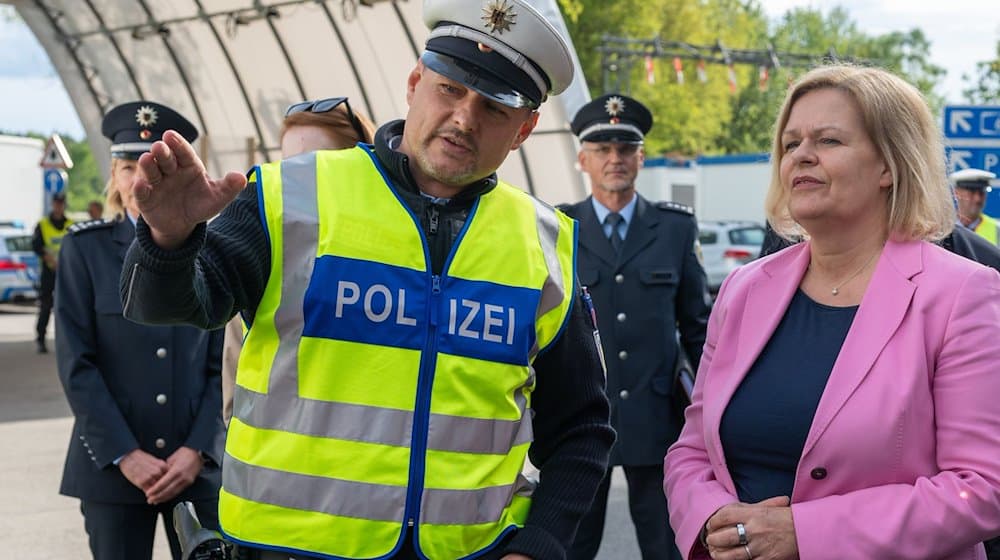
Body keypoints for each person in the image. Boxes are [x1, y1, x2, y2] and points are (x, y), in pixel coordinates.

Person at [119, 1, 615, 558]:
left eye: (494, 107)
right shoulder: (288, 196)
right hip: (285, 549)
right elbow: (177, 306)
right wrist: (168, 240)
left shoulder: (544, 244)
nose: (464, 118)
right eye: (450, 88)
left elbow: (581, 429)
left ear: (524, 128)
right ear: (414, 81)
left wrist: (539, 546)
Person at [664, 64, 1000, 560]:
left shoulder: (962, 294)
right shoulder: (743, 289)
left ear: (889, 165)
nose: (801, 154)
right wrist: (714, 518)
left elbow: (982, 488)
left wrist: (808, 534)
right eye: (790, 143)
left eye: (828, 140)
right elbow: (691, 451)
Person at [56, 101, 225, 560]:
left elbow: (222, 364)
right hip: (111, 469)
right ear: (113, 175)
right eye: (128, 166)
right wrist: (126, 455)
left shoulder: (207, 248)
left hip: (196, 469)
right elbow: (77, 365)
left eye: (153, 167)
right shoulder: (84, 251)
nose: (138, 180)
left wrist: (198, 450)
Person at [560, 94, 710, 560]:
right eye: (602, 150)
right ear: (583, 159)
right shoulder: (560, 227)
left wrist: (713, 405)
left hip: (657, 416)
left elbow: (698, 326)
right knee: (570, 543)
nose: (614, 160)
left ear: (640, 158)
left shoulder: (673, 229)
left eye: (625, 149)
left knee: (666, 545)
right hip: (581, 416)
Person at [220, 96, 376, 425]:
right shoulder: (265, 260)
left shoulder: (402, 265)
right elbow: (237, 397)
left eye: (317, 166)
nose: (297, 183)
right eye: (288, 168)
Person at [32, 191, 72, 353]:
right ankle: (41, 339)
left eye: (61, 204)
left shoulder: (70, 224)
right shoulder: (42, 225)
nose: (58, 206)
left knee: (68, 308)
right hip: (49, 272)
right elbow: (37, 246)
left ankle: (69, 341)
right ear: (52, 204)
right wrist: (49, 259)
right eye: (56, 203)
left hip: (67, 272)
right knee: (46, 306)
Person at [951, 168, 999, 244]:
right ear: (956, 192)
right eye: (972, 192)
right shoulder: (942, 228)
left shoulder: (997, 230)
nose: (977, 199)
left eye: (981, 193)